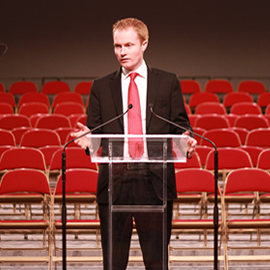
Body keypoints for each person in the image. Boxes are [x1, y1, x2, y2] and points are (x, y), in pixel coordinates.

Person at [72, 17, 197, 270]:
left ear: (144, 44)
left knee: (156, 262)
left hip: (155, 185)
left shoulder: (168, 82)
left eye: (128, 45)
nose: (122, 52)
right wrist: (88, 142)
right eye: (117, 46)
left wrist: (187, 139)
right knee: (114, 263)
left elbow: (180, 125)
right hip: (114, 185)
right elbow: (94, 132)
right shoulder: (100, 86)